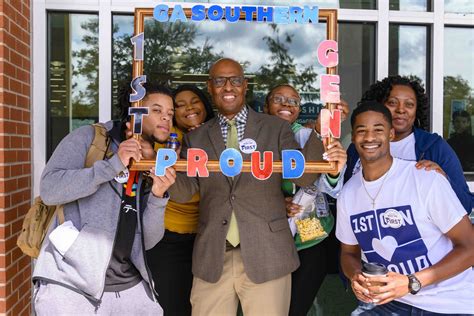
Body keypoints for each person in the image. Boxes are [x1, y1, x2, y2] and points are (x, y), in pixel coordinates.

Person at [168, 58, 329, 316]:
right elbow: (184, 192)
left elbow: (303, 177)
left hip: (268, 252)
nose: (227, 87)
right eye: (219, 81)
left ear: (245, 86)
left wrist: (320, 133)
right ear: (211, 87)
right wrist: (163, 161)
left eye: (235, 80)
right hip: (213, 256)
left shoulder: (275, 128)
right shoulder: (195, 137)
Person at [32, 83, 177, 315]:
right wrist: (112, 165)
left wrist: (158, 195)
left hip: (129, 286)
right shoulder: (91, 138)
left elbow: (148, 241)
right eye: (157, 110)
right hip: (70, 284)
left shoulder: (152, 162)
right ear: (135, 110)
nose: (166, 118)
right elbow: (50, 189)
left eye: (170, 113)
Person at [337, 100, 474, 315]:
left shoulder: (424, 179)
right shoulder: (348, 194)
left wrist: (412, 282)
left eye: (378, 130)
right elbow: (348, 253)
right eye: (362, 131)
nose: (370, 137)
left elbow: (470, 247)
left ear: (391, 135)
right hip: (390, 303)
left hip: (449, 302)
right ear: (353, 138)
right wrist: (356, 276)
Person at [263, 83, 347, 316]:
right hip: (269, 238)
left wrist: (323, 134)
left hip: (311, 237)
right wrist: (276, 202)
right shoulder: (254, 136)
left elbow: (330, 187)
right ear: (266, 105)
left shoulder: (310, 135)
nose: (286, 105)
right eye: (278, 99)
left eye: (294, 101)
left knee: (296, 308)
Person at [344, 75, 473, 214]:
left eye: (409, 104)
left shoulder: (434, 147)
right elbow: (343, 196)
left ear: (417, 110)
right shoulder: (361, 146)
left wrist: (444, 180)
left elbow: (465, 205)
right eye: (392, 103)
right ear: (379, 106)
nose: (401, 110)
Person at [147, 84, 214, 316]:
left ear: (205, 104)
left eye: (195, 101)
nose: (189, 108)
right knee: (173, 306)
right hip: (169, 238)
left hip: (206, 239)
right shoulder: (166, 139)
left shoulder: (217, 136)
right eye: (180, 105)